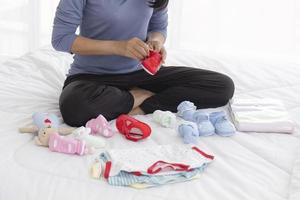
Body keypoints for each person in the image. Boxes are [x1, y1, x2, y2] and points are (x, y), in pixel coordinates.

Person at [52, 0, 235, 127]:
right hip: (90, 77)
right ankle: (138, 97)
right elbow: (61, 39)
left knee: (222, 86)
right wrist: (118, 47)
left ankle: (140, 103)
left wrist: (156, 42)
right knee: (74, 108)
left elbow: (158, 28)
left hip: (141, 74)